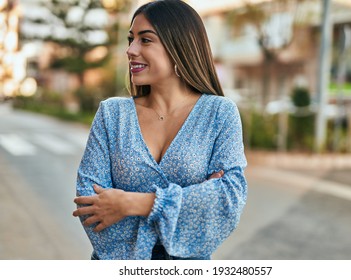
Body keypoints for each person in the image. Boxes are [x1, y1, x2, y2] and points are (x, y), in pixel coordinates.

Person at [72, 0, 247, 260]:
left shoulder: (219, 114)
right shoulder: (112, 115)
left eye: (145, 40)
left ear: (179, 46)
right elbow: (90, 205)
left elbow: (228, 200)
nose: (130, 50)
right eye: (131, 39)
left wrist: (130, 204)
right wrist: (193, 201)